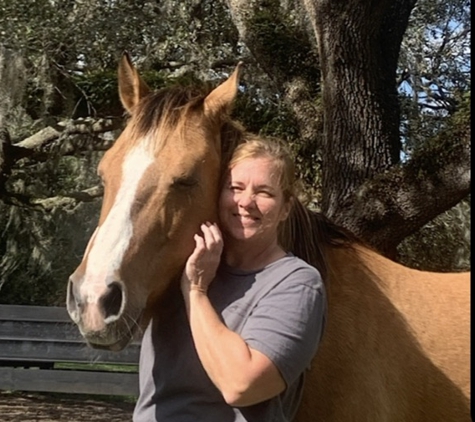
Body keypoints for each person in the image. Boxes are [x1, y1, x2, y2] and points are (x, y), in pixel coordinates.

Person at [133, 136, 327, 422]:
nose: (246, 201)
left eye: (264, 192)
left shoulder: (297, 283)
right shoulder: (181, 265)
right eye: (234, 188)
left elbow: (242, 386)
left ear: (286, 207)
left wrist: (196, 291)